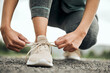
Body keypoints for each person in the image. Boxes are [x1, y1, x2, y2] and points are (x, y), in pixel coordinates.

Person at [1, 0, 99, 67]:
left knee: (89, 35)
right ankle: (40, 42)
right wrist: (5, 26)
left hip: (76, 10)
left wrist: (80, 33)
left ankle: (71, 47)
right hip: (46, 7)